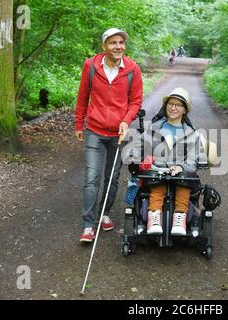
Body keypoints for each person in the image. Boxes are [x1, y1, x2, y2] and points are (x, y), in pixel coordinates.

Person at [75, 28, 143, 243]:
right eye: (113, 42)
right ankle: (88, 225)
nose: (118, 46)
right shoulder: (91, 66)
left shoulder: (132, 69)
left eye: (121, 42)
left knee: (111, 177)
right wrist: (79, 123)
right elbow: (82, 96)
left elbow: (135, 101)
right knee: (91, 178)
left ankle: (104, 214)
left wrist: (126, 120)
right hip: (94, 130)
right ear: (104, 46)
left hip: (118, 133)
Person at [130, 88, 206, 236]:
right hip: (157, 171)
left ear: (184, 110)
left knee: (184, 184)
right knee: (157, 185)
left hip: (180, 173)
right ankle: (154, 217)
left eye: (178, 105)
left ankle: (180, 218)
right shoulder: (153, 128)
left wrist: (180, 166)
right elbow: (138, 146)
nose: (173, 107)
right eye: (170, 104)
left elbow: (193, 158)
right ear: (165, 106)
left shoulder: (193, 134)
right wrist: (135, 158)